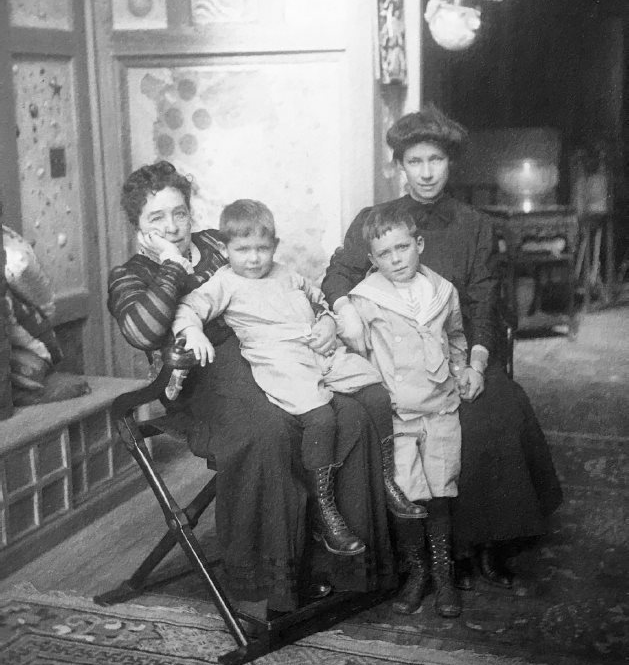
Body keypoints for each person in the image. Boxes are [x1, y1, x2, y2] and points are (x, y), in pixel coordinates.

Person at [108, 161, 397, 614]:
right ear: (138, 227)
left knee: (352, 413)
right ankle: (270, 589)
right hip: (200, 381)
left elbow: (281, 285)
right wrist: (168, 266)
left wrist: (322, 321)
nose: (172, 227)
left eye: (179, 213)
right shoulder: (129, 274)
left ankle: (346, 565)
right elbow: (144, 333)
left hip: (271, 357)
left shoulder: (213, 243)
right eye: (156, 219)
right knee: (270, 432)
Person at [322, 106, 563, 592]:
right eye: (415, 161)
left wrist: (476, 361)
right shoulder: (374, 221)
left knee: (497, 410)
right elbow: (337, 276)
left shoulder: (474, 224)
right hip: (392, 361)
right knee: (392, 420)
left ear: (450, 165)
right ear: (399, 166)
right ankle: (423, 554)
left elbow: (481, 301)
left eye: (436, 160)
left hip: (456, 352)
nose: (427, 172)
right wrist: (344, 310)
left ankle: (489, 544)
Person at [172, 199, 426, 557]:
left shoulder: (286, 273)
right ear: (226, 249)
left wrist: (325, 322)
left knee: (375, 393)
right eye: (242, 250)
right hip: (281, 361)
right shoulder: (224, 283)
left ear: (274, 246)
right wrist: (192, 332)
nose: (253, 258)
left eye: (262, 249)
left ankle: (386, 479)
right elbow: (188, 308)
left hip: (318, 350)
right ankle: (323, 507)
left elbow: (319, 300)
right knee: (320, 416)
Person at [348, 202, 467, 617]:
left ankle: (443, 574)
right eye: (384, 254)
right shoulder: (365, 300)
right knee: (406, 494)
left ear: (418, 244)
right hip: (398, 416)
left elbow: (455, 337)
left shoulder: (442, 291)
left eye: (402, 248)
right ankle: (416, 572)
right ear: (372, 260)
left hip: (440, 409)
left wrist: (462, 367)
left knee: (440, 492)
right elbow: (353, 349)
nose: (396, 259)